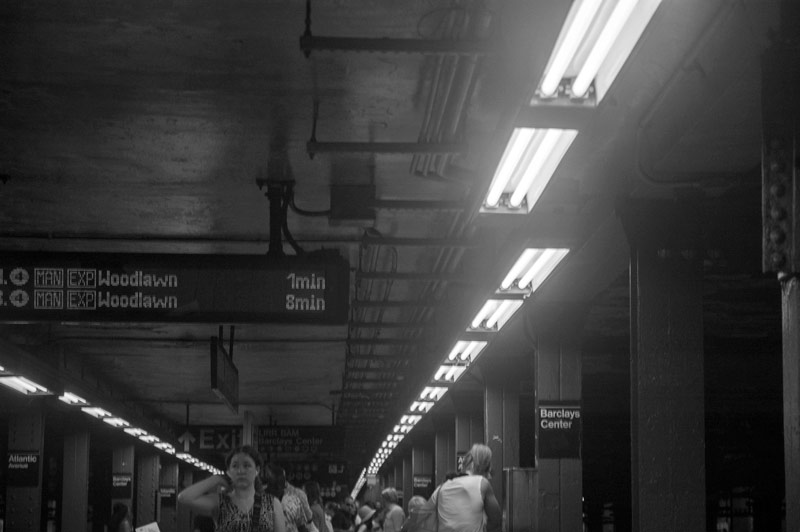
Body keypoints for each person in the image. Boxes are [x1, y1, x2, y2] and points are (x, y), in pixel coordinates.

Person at [177, 445, 286, 532]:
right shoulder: (220, 502)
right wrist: (216, 479)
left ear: (257, 470)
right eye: (235, 466)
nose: (240, 471)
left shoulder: (272, 504)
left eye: (247, 465)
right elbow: (184, 498)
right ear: (229, 472)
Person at [430, 443, 501, 532]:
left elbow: (425, 517)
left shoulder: (441, 488)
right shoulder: (482, 483)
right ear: (486, 468)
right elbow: (496, 521)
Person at [265, 464, 315, 532]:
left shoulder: (294, 500)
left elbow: (302, 526)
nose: (277, 488)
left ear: (284, 483)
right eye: (274, 486)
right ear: (268, 484)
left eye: (279, 486)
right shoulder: (257, 500)